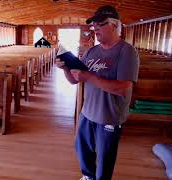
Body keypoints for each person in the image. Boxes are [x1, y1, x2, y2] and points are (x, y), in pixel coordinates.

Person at [57, 5, 139, 180]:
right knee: (82, 149)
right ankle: (88, 177)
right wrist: (65, 68)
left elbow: (123, 88)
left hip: (109, 117)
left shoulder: (126, 51)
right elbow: (74, 80)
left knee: (104, 159)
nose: (95, 29)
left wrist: (88, 77)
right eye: (93, 26)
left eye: (100, 24)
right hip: (87, 113)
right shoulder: (92, 51)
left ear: (115, 25)